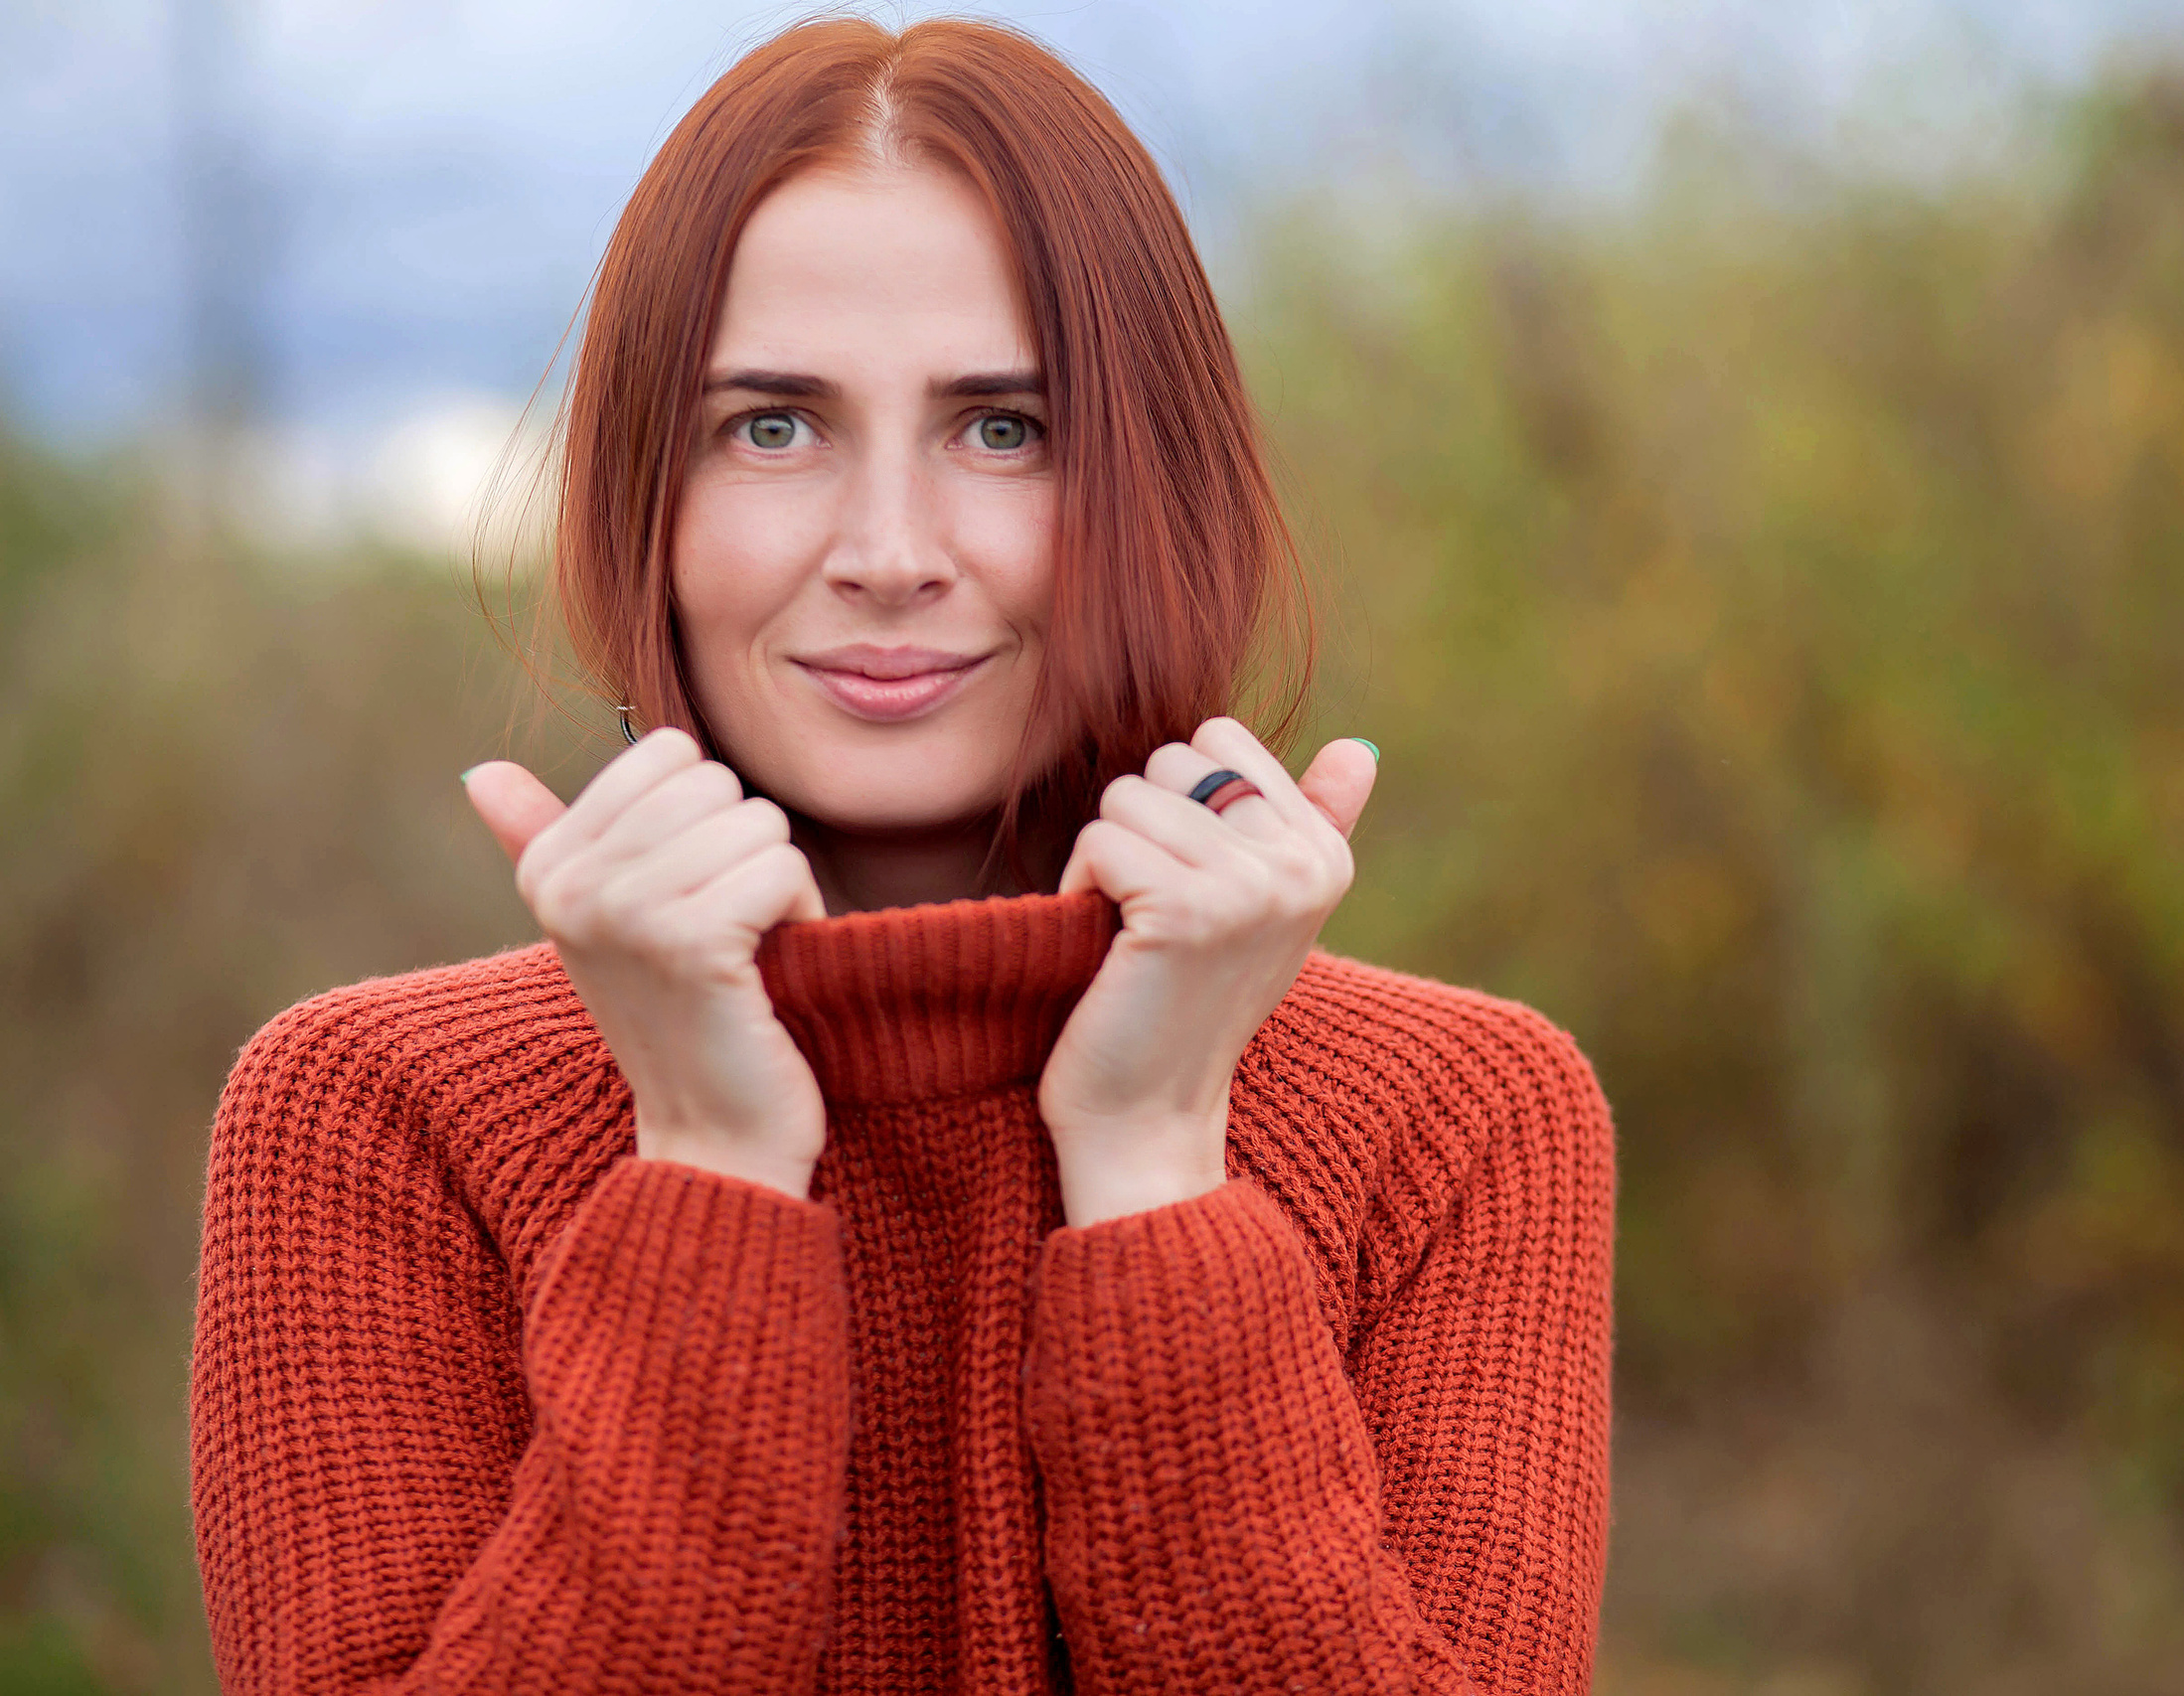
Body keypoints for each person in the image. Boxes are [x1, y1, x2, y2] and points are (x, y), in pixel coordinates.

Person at [188, 17, 1613, 1694]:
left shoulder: (1456, 1121)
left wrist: (1156, 1156)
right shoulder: (379, 1118)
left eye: (1002, 428)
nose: (886, 554)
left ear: (1164, 485)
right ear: (643, 489)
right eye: (772, 428)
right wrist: (708, 1166)